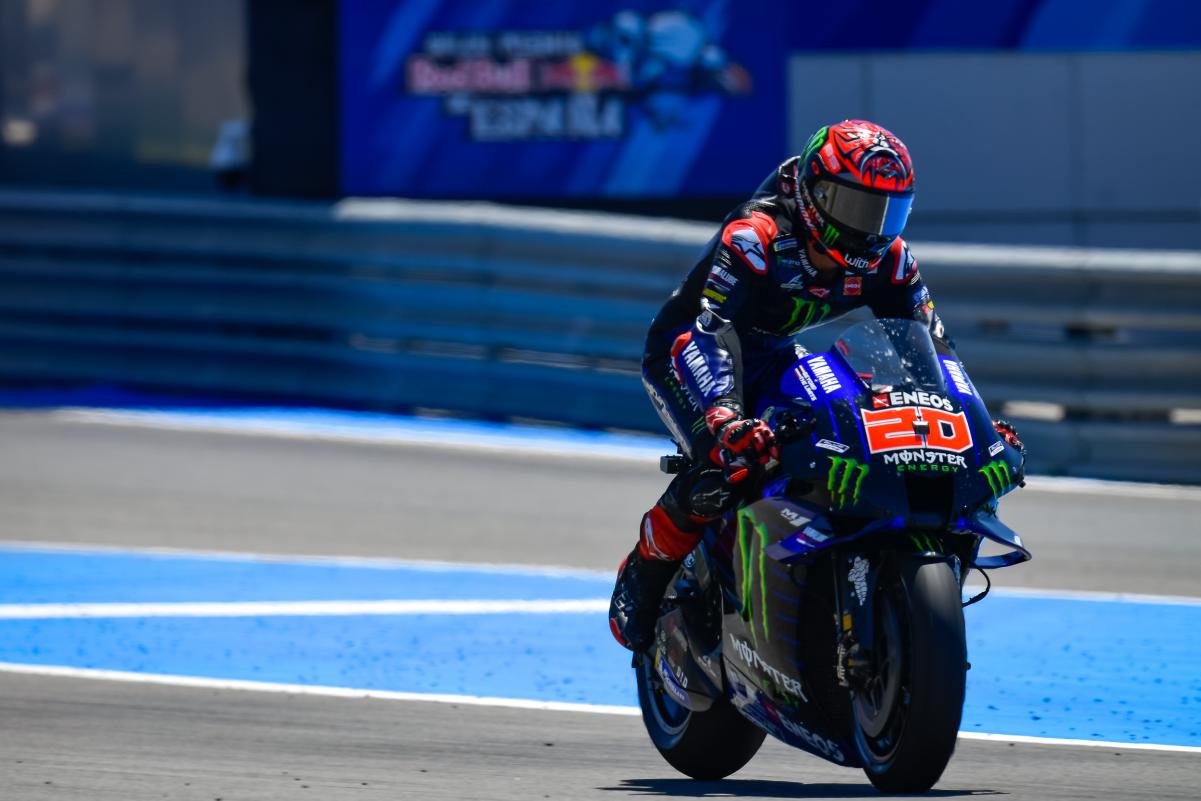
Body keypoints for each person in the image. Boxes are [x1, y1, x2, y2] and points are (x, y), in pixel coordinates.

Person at [609, 119, 1023, 651]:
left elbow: (934, 350)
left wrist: (972, 424)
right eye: (857, 207)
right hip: (693, 348)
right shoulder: (756, 237)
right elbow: (713, 331)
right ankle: (644, 575)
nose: (871, 228)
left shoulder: (893, 260)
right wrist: (724, 415)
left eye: (887, 211)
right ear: (815, 195)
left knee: (846, 444)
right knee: (727, 465)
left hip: (779, 354)